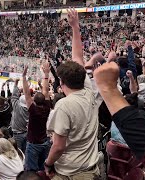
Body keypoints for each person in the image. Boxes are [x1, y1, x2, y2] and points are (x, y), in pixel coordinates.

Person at [45, 9, 100, 179]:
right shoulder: (88, 91)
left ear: (61, 83)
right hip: (91, 168)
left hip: (72, 173)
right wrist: (75, 27)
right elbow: (77, 56)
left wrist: (48, 163)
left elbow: (59, 146)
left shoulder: (64, 105)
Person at [22, 63, 51, 171]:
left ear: (34, 100)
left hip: (33, 144)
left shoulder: (33, 110)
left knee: (32, 171)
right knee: (42, 169)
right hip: (44, 142)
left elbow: (26, 92)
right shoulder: (47, 107)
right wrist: (46, 74)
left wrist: (24, 77)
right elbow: (46, 91)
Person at [10, 78, 29, 152]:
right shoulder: (30, 109)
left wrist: (16, 83)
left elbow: (14, 96)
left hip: (17, 134)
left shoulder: (16, 106)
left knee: (18, 152)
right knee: (24, 151)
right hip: (25, 132)